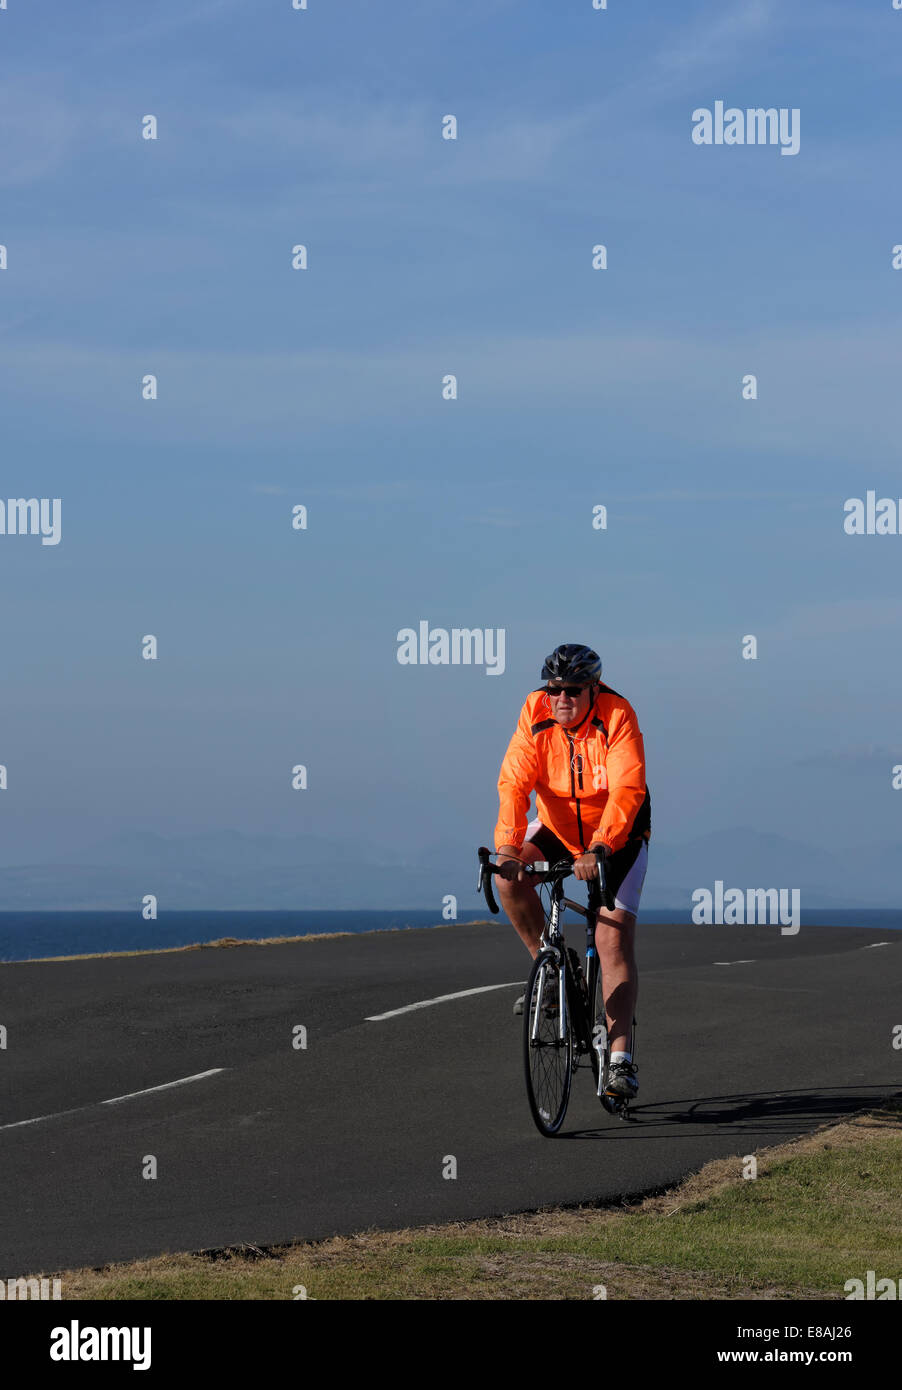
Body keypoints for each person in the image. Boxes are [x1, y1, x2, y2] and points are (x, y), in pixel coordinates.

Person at [494, 644, 650, 1100]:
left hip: (617, 834)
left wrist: (601, 846)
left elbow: (627, 788)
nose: (561, 698)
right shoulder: (535, 712)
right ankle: (554, 977)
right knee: (509, 876)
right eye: (554, 688)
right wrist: (507, 844)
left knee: (610, 938)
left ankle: (619, 1060)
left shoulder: (617, 714)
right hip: (561, 828)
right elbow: (514, 781)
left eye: (573, 690)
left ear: (593, 688)